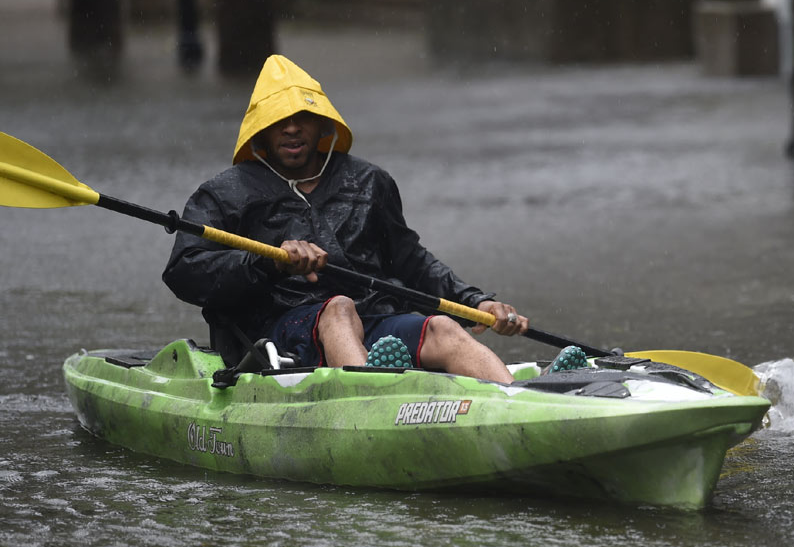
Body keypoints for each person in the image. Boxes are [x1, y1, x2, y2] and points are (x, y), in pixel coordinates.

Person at [163, 54, 574, 384]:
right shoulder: (224, 193)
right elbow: (184, 272)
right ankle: (373, 400)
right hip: (280, 330)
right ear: (261, 133)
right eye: (278, 122)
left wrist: (476, 302)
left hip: (375, 317)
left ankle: (517, 406)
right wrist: (267, 260)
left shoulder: (369, 181)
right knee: (338, 307)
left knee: (444, 328)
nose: (291, 129)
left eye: (301, 119)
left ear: (322, 123)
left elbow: (410, 260)